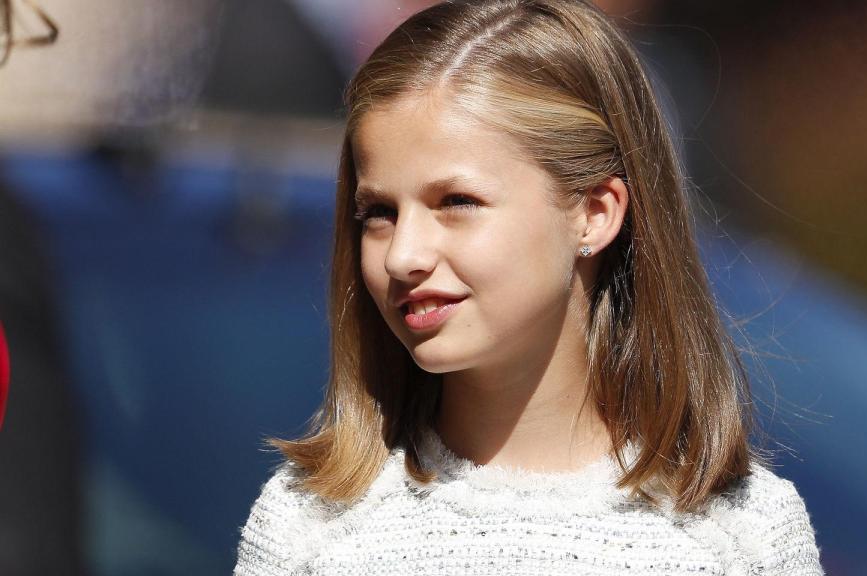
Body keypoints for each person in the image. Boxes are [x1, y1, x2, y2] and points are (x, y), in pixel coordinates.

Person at [233, 1, 824, 574]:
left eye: (457, 202)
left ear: (594, 213)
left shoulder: (741, 535)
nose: (404, 255)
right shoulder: (311, 527)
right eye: (379, 213)